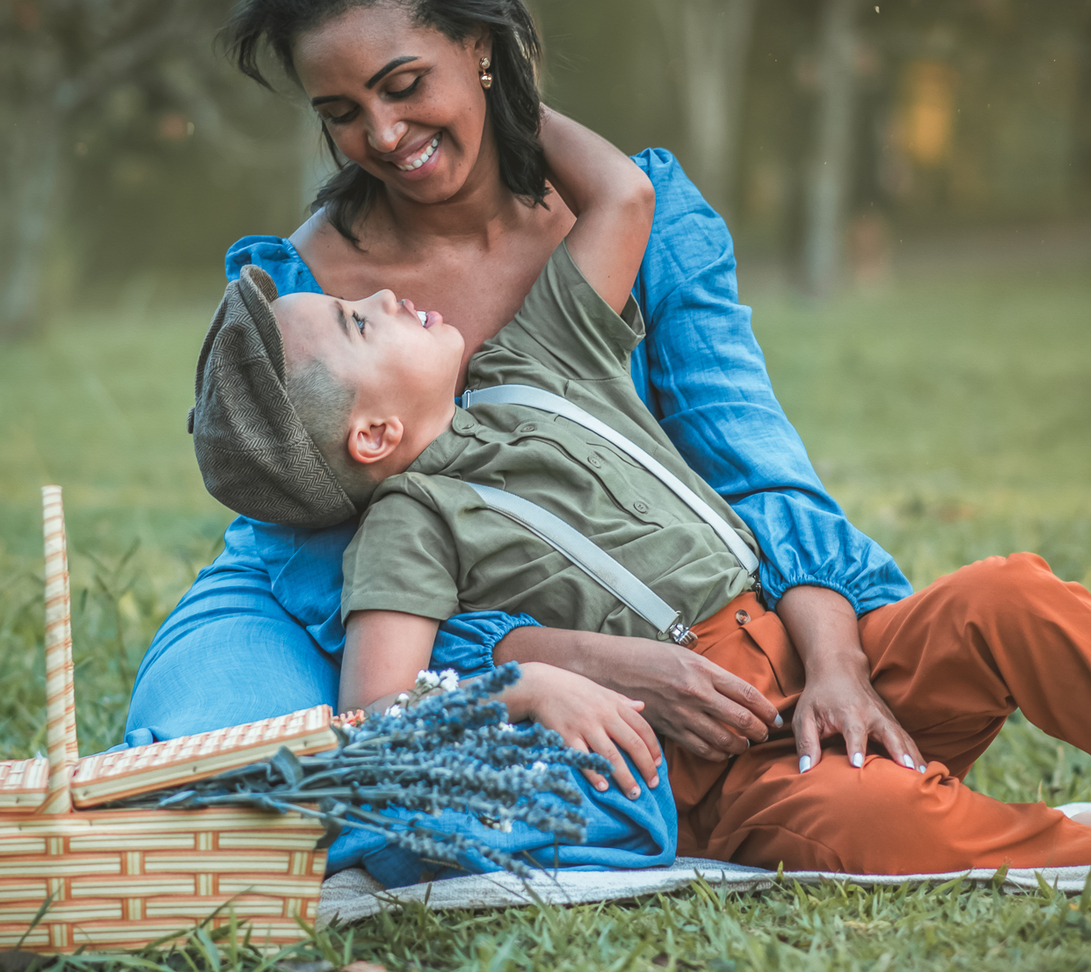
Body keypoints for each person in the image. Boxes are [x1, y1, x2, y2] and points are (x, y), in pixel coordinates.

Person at [126, 0, 914, 824]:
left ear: (480, 47)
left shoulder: (642, 227)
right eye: (340, 114)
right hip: (340, 621)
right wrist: (550, 662)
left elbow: (756, 467)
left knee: (921, 675)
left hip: (658, 607)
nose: (384, 134)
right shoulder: (300, 287)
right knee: (236, 785)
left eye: (406, 85)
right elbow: (328, 578)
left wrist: (835, 659)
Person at [191, 95, 1091, 880]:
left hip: (828, 653)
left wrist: (491, 91)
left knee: (1006, 595)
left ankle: (916, 762)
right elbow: (376, 715)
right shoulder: (407, 523)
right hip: (723, 768)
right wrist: (522, 688)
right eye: (357, 321)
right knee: (868, 818)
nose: (383, 297)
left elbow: (623, 196)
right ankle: (1054, 845)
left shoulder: (535, 362)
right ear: (374, 435)